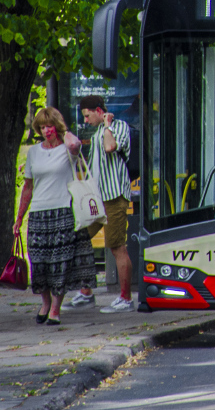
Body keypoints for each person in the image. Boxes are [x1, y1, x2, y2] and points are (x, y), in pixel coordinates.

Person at [13, 107, 97, 325]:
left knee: (60, 263)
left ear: (57, 127)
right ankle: (45, 302)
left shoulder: (67, 149)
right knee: (39, 263)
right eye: (42, 127)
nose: (46, 130)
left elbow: (75, 144)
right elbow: (28, 186)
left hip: (63, 210)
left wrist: (64, 131)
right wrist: (19, 217)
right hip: (39, 213)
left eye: (50, 126)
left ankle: (56, 309)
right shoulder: (33, 152)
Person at [64, 95, 135, 313]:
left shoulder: (118, 127)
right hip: (97, 198)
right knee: (80, 238)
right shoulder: (95, 134)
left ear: (97, 110)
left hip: (114, 197)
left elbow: (110, 147)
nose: (85, 121)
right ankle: (86, 293)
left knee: (117, 246)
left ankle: (126, 298)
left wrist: (107, 126)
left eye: (87, 116)